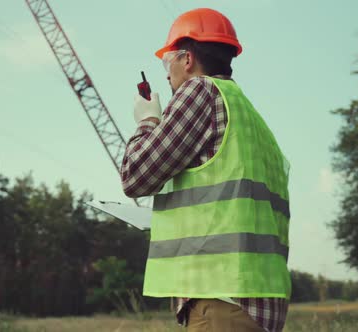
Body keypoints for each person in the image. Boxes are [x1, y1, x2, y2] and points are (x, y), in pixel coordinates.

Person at [120, 8, 291, 332]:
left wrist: (147, 121)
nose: (166, 74)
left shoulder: (200, 91)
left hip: (221, 299)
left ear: (187, 59)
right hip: (259, 299)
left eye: (167, 60)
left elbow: (135, 175)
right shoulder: (249, 116)